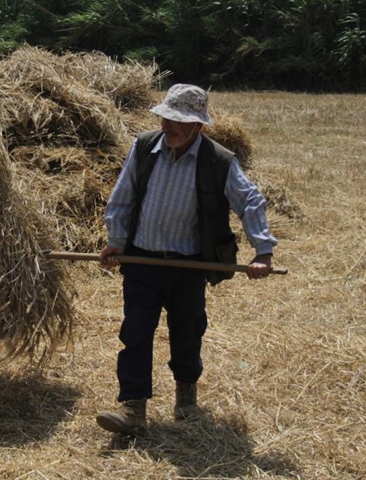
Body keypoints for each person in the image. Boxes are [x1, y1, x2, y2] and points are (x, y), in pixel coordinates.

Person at [95, 84, 278, 434]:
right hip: (143, 261)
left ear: (198, 125)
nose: (168, 126)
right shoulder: (145, 147)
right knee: (135, 332)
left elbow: (250, 201)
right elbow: (123, 195)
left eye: (178, 121)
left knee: (187, 331)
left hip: (189, 265)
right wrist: (116, 242)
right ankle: (134, 411)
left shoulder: (219, 161)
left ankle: (186, 397)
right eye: (166, 118)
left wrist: (263, 251)